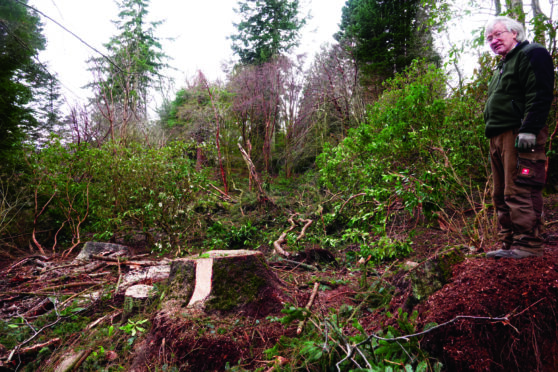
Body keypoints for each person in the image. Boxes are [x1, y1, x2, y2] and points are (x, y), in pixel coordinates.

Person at [484, 16, 554, 259]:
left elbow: (540, 92)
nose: (493, 41)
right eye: (489, 38)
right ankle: (509, 243)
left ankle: (528, 245)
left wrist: (530, 128)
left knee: (520, 188)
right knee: (501, 192)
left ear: (514, 33)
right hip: (498, 136)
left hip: (519, 134)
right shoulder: (502, 64)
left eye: (498, 34)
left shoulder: (531, 53)